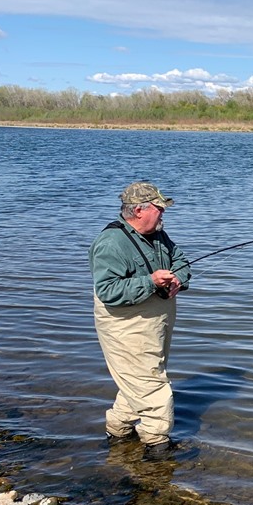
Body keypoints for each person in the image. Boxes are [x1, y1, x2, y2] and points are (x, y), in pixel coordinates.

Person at [89, 181, 191, 450]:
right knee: (153, 388)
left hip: (157, 322)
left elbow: (181, 261)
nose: (163, 213)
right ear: (138, 210)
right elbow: (108, 291)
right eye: (159, 208)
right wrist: (151, 282)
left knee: (141, 380)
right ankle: (157, 449)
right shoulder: (111, 243)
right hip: (126, 325)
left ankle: (118, 433)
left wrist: (178, 279)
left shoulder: (159, 235)